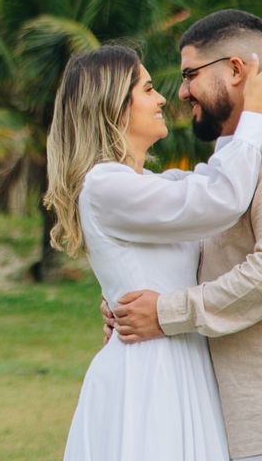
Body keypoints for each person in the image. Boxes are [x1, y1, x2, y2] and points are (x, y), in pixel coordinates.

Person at [45, 43, 262, 461]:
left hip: (179, 358)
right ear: (114, 107)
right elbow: (220, 197)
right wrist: (251, 113)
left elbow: (206, 184)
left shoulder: (147, 183)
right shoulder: (107, 185)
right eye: (147, 89)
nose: (163, 97)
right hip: (151, 371)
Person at [108, 10, 262, 461]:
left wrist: (166, 311)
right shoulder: (232, 158)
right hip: (221, 416)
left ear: (236, 70)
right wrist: (129, 297)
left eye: (190, 74)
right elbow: (206, 243)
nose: (179, 91)